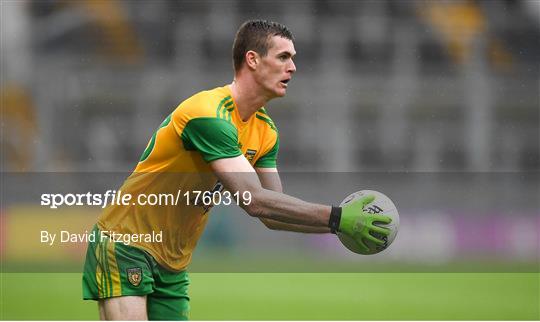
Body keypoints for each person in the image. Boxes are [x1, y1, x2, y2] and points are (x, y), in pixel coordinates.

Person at [82, 19, 391, 320]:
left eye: (293, 59)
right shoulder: (209, 114)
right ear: (252, 60)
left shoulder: (265, 131)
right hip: (125, 242)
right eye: (283, 57)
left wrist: (338, 227)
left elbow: (272, 213)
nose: (293, 67)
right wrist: (337, 217)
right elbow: (253, 200)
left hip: (172, 263)